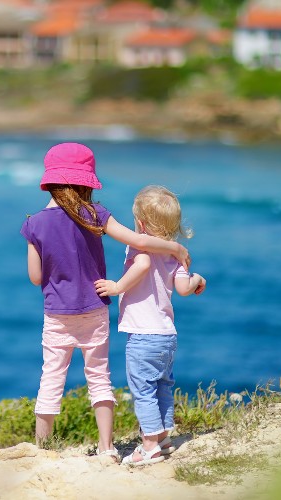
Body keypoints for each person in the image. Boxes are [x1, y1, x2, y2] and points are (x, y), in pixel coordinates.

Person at [21, 144, 190, 462]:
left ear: (49, 181)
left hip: (57, 313)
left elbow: (34, 276)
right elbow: (139, 241)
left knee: (51, 378)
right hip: (95, 308)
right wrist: (175, 250)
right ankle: (107, 447)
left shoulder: (34, 224)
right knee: (99, 377)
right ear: (86, 182)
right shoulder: (95, 214)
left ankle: (43, 450)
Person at [94, 185, 206, 467]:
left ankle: (149, 446)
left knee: (143, 391)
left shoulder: (139, 244)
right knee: (163, 387)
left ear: (140, 224)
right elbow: (182, 288)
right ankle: (164, 438)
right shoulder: (176, 256)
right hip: (167, 335)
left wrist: (117, 287)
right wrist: (197, 280)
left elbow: (142, 264)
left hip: (143, 336)